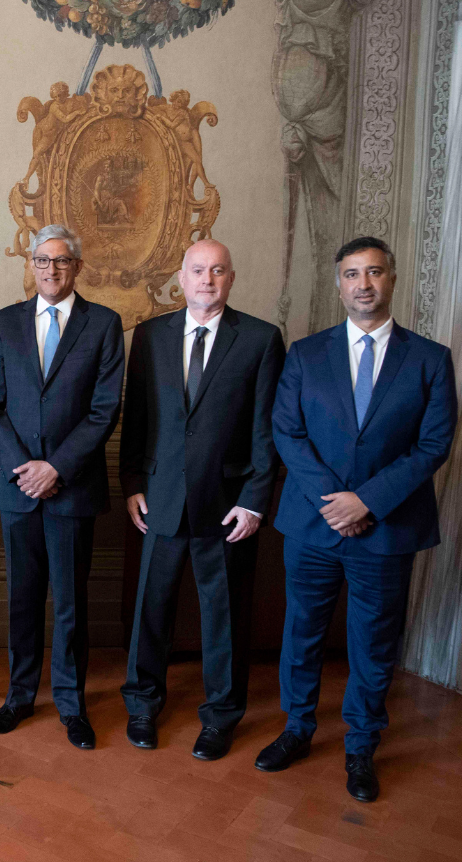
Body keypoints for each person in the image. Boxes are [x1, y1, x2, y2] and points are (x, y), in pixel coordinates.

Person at [257, 236, 456, 802]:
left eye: (373, 273)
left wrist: (367, 501)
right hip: (313, 524)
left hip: (387, 528)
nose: (362, 284)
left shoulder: (430, 359)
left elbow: (433, 444)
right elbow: (287, 432)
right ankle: (297, 729)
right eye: (351, 274)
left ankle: (361, 746)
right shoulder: (305, 353)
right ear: (339, 283)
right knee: (302, 633)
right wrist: (334, 500)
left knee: (374, 642)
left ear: (392, 279)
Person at [118, 240, 284, 760]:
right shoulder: (149, 336)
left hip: (227, 505)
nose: (207, 279)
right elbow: (138, 418)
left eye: (217, 270)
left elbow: (267, 429)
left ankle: (220, 716)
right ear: (182, 278)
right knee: (151, 607)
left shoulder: (259, 339)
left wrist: (256, 500)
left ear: (231, 278)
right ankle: (143, 705)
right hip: (160, 499)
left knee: (225, 615)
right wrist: (131, 484)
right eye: (197, 270)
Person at [0, 224, 124, 749]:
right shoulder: (4, 324)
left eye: (61, 261)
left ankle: (71, 704)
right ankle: (19, 697)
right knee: (21, 598)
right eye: (42, 261)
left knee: (70, 603)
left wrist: (55, 467)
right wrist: (24, 467)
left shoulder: (104, 324)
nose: (51, 270)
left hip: (72, 487)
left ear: (77, 267)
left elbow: (105, 409)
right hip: (16, 488)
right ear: (31, 265)